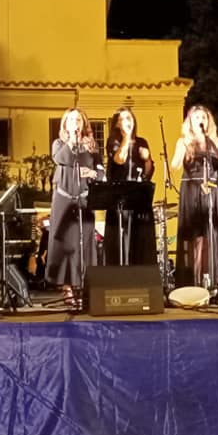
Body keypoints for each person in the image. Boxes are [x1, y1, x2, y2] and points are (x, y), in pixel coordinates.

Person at [171, 105, 218, 287]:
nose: (201, 120)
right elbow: (174, 166)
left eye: (204, 117)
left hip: (213, 189)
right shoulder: (184, 141)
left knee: (212, 236)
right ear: (190, 121)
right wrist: (182, 148)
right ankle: (195, 281)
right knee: (196, 237)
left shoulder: (215, 141)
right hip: (192, 189)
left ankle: (214, 281)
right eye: (197, 117)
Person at [46, 108, 101, 303]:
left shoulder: (91, 146)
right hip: (63, 199)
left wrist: (93, 174)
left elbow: (101, 171)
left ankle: (83, 286)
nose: (75, 123)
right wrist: (71, 140)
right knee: (64, 242)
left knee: (84, 242)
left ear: (83, 123)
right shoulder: (59, 144)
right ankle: (66, 287)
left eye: (78, 120)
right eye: (71, 120)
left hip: (84, 199)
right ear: (65, 124)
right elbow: (61, 159)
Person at [104, 106, 157, 266]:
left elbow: (148, 172)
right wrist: (126, 138)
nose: (127, 121)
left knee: (140, 238)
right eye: (122, 119)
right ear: (117, 124)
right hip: (120, 198)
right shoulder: (113, 142)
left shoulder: (142, 142)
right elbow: (119, 160)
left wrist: (147, 160)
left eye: (129, 118)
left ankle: (141, 272)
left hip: (138, 196)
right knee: (121, 238)